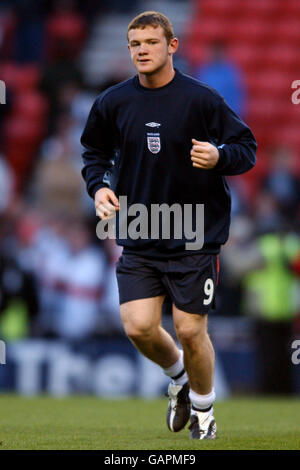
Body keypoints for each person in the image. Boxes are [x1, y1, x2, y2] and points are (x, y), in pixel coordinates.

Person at [81, 11, 257, 440]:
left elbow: (246, 148)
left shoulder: (202, 100)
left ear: (172, 46)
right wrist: (99, 188)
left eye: (151, 42)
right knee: (138, 326)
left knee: (190, 328)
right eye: (134, 44)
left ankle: (203, 411)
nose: (141, 50)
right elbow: (94, 155)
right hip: (140, 230)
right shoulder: (113, 102)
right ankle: (178, 378)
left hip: (195, 232)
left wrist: (219, 157)